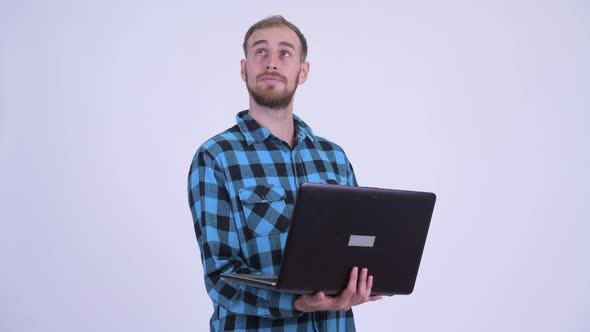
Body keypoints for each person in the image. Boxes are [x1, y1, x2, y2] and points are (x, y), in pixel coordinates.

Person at [187, 15, 382, 331]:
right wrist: (296, 302)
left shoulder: (334, 158)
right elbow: (220, 276)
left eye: (285, 53)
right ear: (244, 69)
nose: (271, 63)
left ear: (302, 72)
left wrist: (364, 279)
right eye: (260, 52)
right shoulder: (216, 157)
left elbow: (357, 246)